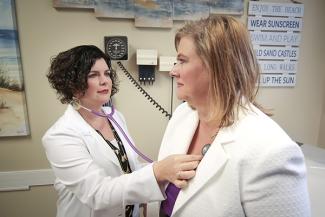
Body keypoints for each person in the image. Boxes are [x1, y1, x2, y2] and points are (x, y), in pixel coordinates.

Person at [155, 15, 311, 217]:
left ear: (217, 67)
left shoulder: (271, 151)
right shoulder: (182, 115)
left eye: (182, 61)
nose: (173, 71)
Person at [42, 45, 202, 217]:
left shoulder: (115, 117)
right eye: (93, 75)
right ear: (72, 83)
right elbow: (97, 194)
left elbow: (127, 167)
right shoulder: (60, 136)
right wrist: (157, 172)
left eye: (107, 73)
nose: (105, 81)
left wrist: (159, 173)